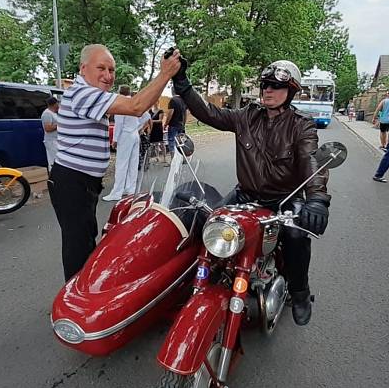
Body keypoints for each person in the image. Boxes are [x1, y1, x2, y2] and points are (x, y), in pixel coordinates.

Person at [170, 58, 330, 326]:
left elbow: (311, 159)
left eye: (277, 86)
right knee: (212, 222)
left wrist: (317, 199)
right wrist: (183, 84)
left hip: (284, 199)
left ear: (291, 91)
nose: (268, 90)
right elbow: (210, 113)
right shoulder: (246, 116)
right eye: (265, 85)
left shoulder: (301, 125)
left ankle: (299, 291)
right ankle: (205, 277)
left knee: (295, 234)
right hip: (245, 194)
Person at [49, 44, 181, 281]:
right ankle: (74, 306)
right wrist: (165, 74)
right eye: (101, 68)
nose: (108, 76)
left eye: (112, 70)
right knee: (77, 247)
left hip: (82, 182)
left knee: (85, 240)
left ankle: (81, 293)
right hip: (72, 181)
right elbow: (135, 106)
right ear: (83, 68)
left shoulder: (88, 92)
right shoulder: (82, 93)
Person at [103, 85, 151, 201]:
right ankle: (130, 188)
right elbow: (147, 116)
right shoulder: (134, 101)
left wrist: (114, 140)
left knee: (121, 164)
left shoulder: (121, 103)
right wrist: (137, 127)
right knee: (132, 163)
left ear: (119, 92)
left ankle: (117, 192)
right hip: (134, 134)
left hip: (125, 134)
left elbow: (118, 124)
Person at [164, 88, 187, 154]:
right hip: (181, 124)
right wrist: (184, 123)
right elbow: (185, 114)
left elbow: (171, 113)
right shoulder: (183, 100)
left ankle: (173, 160)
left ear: (172, 92)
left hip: (173, 125)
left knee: (172, 142)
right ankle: (183, 157)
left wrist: (166, 124)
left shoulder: (173, 100)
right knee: (181, 142)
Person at [41, 96, 60, 170]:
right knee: (53, 160)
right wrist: (59, 125)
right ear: (54, 104)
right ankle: (52, 177)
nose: (59, 105)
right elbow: (47, 128)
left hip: (56, 140)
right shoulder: (47, 114)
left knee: (57, 160)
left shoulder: (54, 113)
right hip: (51, 141)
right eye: (58, 103)